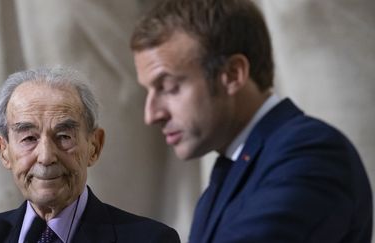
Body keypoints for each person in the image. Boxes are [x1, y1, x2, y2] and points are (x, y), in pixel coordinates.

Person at [130, 0, 372, 242]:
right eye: (149, 91)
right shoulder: (233, 168)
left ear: (233, 74)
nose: (151, 115)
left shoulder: (312, 153)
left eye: (169, 87)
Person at [0, 67, 180, 243]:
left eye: (64, 137)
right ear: (4, 151)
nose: (46, 157)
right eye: (29, 138)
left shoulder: (152, 239)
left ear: (94, 146)